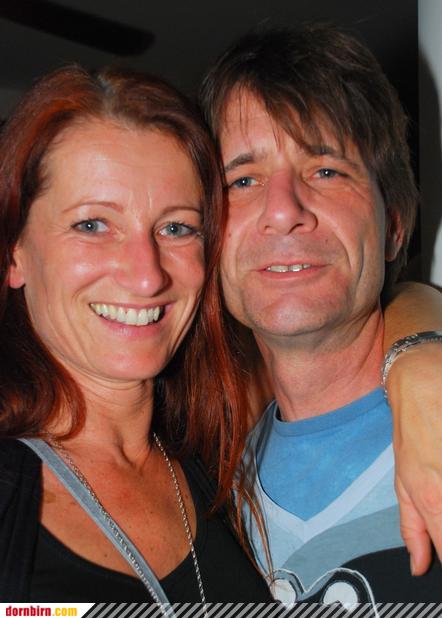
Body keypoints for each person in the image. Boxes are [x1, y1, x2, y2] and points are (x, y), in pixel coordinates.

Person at [0, 65, 271, 604]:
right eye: (92, 225)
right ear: (15, 254)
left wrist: (418, 351)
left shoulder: (227, 465)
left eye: (176, 227)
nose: (147, 276)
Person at [199, 24, 442, 604]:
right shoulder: (204, 505)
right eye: (243, 180)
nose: (283, 211)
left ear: (394, 227)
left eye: (326, 171)